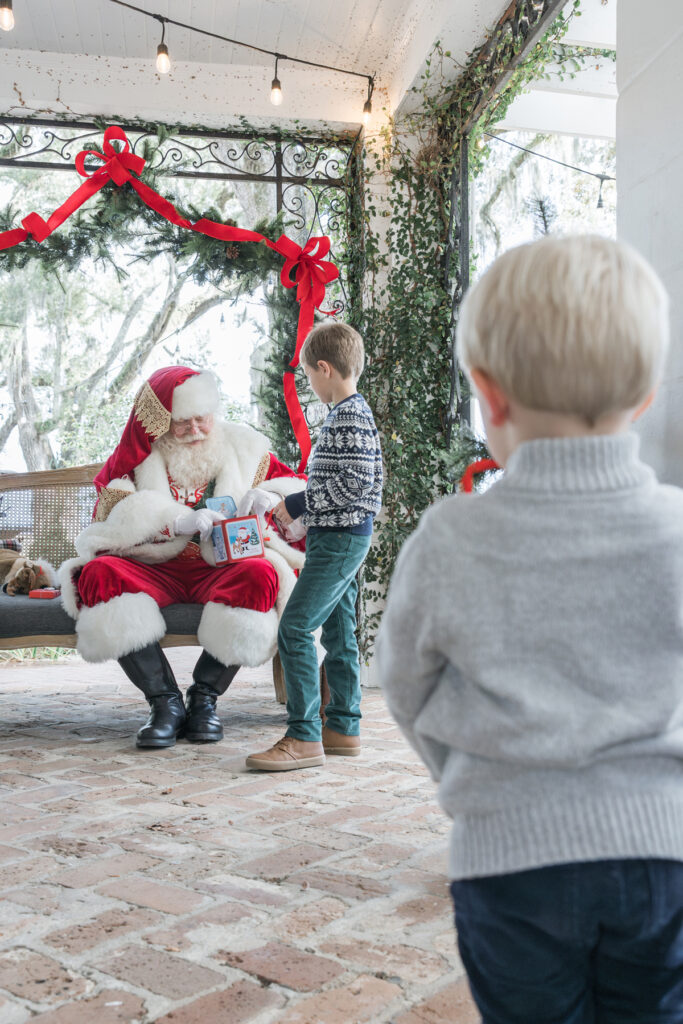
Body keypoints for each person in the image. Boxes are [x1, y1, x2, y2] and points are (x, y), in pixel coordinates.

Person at [376, 235, 683, 1023]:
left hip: (507, 861)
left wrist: (470, 775)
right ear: (645, 395)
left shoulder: (449, 538)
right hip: (665, 856)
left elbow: (406, 684)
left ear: (489, 394)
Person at [59, 365, 306, 749]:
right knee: (99, 574)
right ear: (163, 422)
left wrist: (273, 498)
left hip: (221, 567)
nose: (194, 430)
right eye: (182, 423)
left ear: (215, 413)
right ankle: (165, 704)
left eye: (202, 420)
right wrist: (173, 523)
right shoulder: (139, 456)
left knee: (260, 575)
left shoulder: (245, 447)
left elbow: (294, 487)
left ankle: (205, 698)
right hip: (155, 566)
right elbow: (107, 516)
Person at [246, 321, 383, 771]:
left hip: (341, 540)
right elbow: (344, 483)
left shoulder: (349, 416)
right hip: (336, 535)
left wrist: (299, 501)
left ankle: (303, 736)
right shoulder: (348, 415)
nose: (309, 382)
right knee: (340, 632)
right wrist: (303, 513)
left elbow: (358, 482)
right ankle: (343, 726)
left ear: (325, 368)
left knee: (295, 627)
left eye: (308, 374)